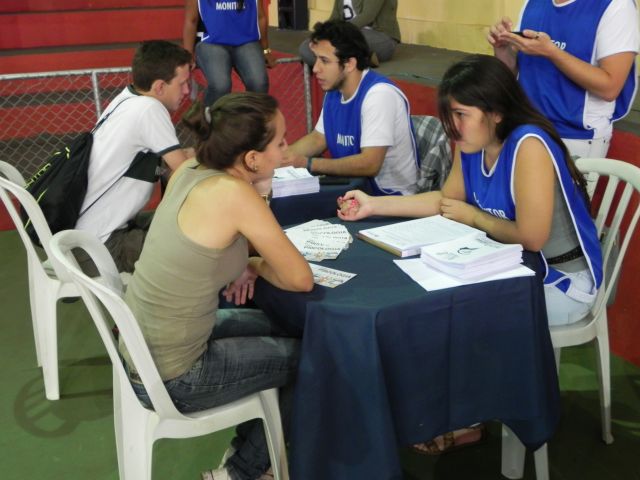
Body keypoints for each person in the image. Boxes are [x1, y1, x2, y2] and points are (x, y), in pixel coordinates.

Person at [338, 54, 603, 452]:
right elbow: (446, 202)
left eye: (461, 114)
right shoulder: (471, 142)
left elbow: (531, 237)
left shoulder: (528, 145)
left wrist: (475, 217)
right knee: (434, 308)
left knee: (450, 317)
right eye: (450, 115)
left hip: (563, 280)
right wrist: (374, 206)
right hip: (509, 269)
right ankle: (450, 412)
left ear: (495, 112)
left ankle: (469, 418)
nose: (453, 126)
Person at [120, 92, 314, 480]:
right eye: (280, 143)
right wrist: (255, 263)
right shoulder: (233, 193)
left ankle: (250, 451)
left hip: (145, 350)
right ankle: (242, 471)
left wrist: (249, 260)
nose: (286, 149)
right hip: (176, 375)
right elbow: (300, 278)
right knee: (313, 357)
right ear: (252, 159)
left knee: (285, 328)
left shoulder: (191, 168)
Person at [75, 40, 192, 274]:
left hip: (83, 239)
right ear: (160, 87)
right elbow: (187, 172)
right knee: (202, 241)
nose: (187, 91)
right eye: (182, 84)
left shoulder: (127, 99)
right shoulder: (149, 109)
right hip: (101, 249)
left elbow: (174, 162)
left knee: (185, 224)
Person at [487, 0, 638, 164]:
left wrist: (552, 53)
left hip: (576, 137)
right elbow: (516, 72)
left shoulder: (616, 5)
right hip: (523, 127)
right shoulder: (533, 3)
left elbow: (610, 88)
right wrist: (503, 50)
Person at [285, 20, 419, 196]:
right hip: (354, 189)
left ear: (349, 64)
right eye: (316, 59)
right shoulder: (335, 90)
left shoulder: (379, 95)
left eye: (324, 60)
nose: (316, 68)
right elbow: (318, 139)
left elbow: (370, 163)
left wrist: (308, 164)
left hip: (389, 197)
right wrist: (278, 159)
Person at [183, 0, 276, 107]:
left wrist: (266, 50)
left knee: (259, 83)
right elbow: (191, 21)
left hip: (246, 42)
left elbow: (261, 17)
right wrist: (187, 55)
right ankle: (206, 115)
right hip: (210, 42)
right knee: (220, 86)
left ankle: (250, 116)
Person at [298, 0, 401, 66]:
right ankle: (362, 59)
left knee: (336, 44)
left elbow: (367, 16)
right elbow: (334, 18)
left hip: (381, 37)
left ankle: (348, 60)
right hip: (346, 35)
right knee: (306, 47)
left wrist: (336, 33)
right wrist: (321, 33)